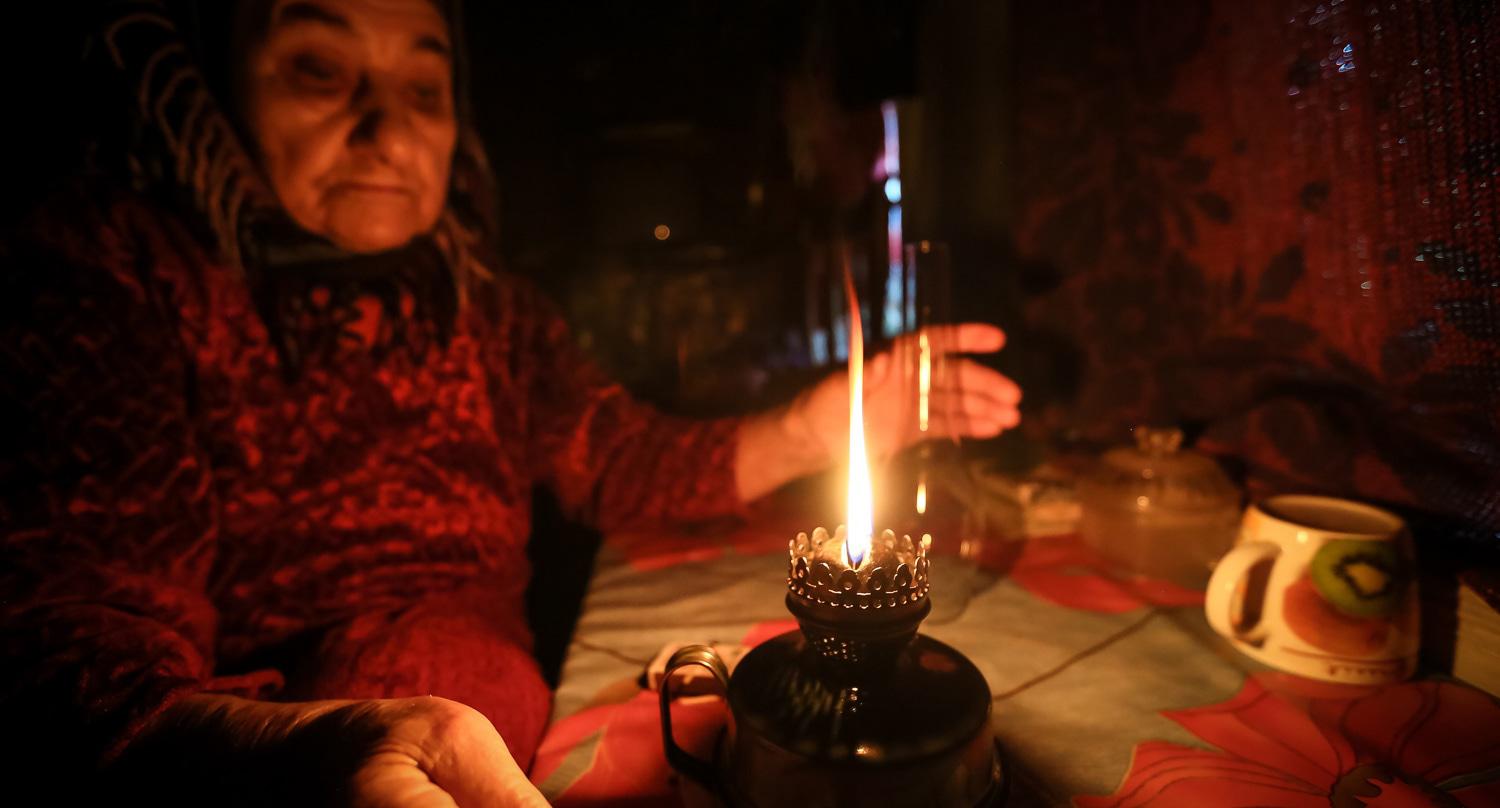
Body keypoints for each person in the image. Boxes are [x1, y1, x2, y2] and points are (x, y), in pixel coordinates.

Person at [0, 0, 1021, 805]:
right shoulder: (123, 277)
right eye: (319, 69)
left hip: (465, 693)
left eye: (423, 87)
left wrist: (826, 425)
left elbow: (616, 458)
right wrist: (281, 746)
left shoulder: (487, 307)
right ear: (217, 83)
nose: (385, 129)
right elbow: (79, 622)